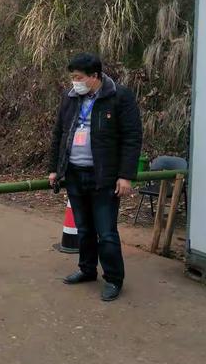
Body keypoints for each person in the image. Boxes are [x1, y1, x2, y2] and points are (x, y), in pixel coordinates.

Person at [48, 53, 142, 301]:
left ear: (95, 77)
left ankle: (113, 279)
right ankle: (87, 269)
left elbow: (132, 138)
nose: (74, 83)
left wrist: (125, 175)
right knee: (84, 228)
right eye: (72, 78)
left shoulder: (119, 97)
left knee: (106, 232)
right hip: (75, 174)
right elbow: (59, 133)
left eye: (79, 78)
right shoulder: (70, 99)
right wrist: (54, 169)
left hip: (104, 177)